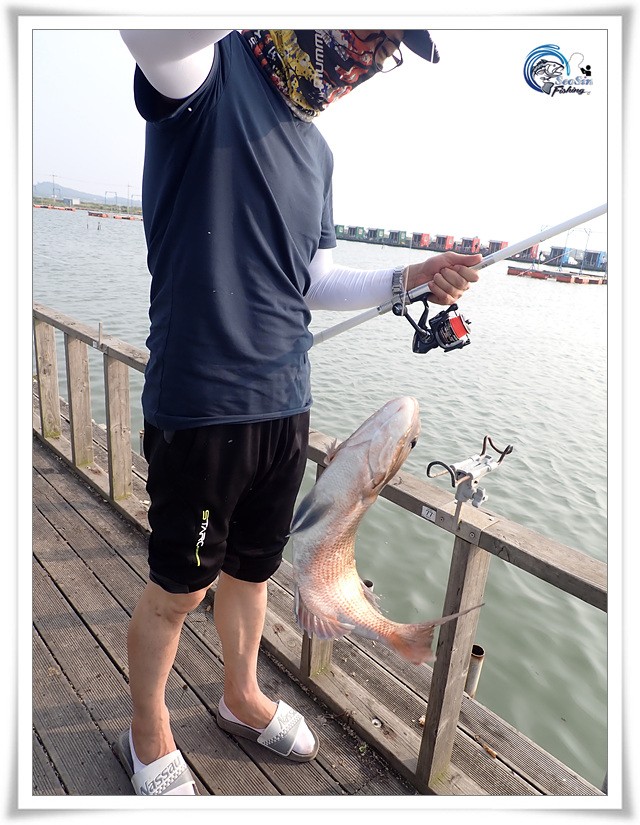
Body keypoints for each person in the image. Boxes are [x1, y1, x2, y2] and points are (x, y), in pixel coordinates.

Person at [117, 28, 481, 796]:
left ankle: (241, 695)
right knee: (180, 588)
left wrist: (411, 277)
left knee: (253, 572)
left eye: (387, 50)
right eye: (373, 32)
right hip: (202, 403)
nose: (370, 58)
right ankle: (147, 728)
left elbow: (313, 278)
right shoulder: (205, 72)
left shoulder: (317, 150)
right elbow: (145, 27)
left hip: (286, 403)